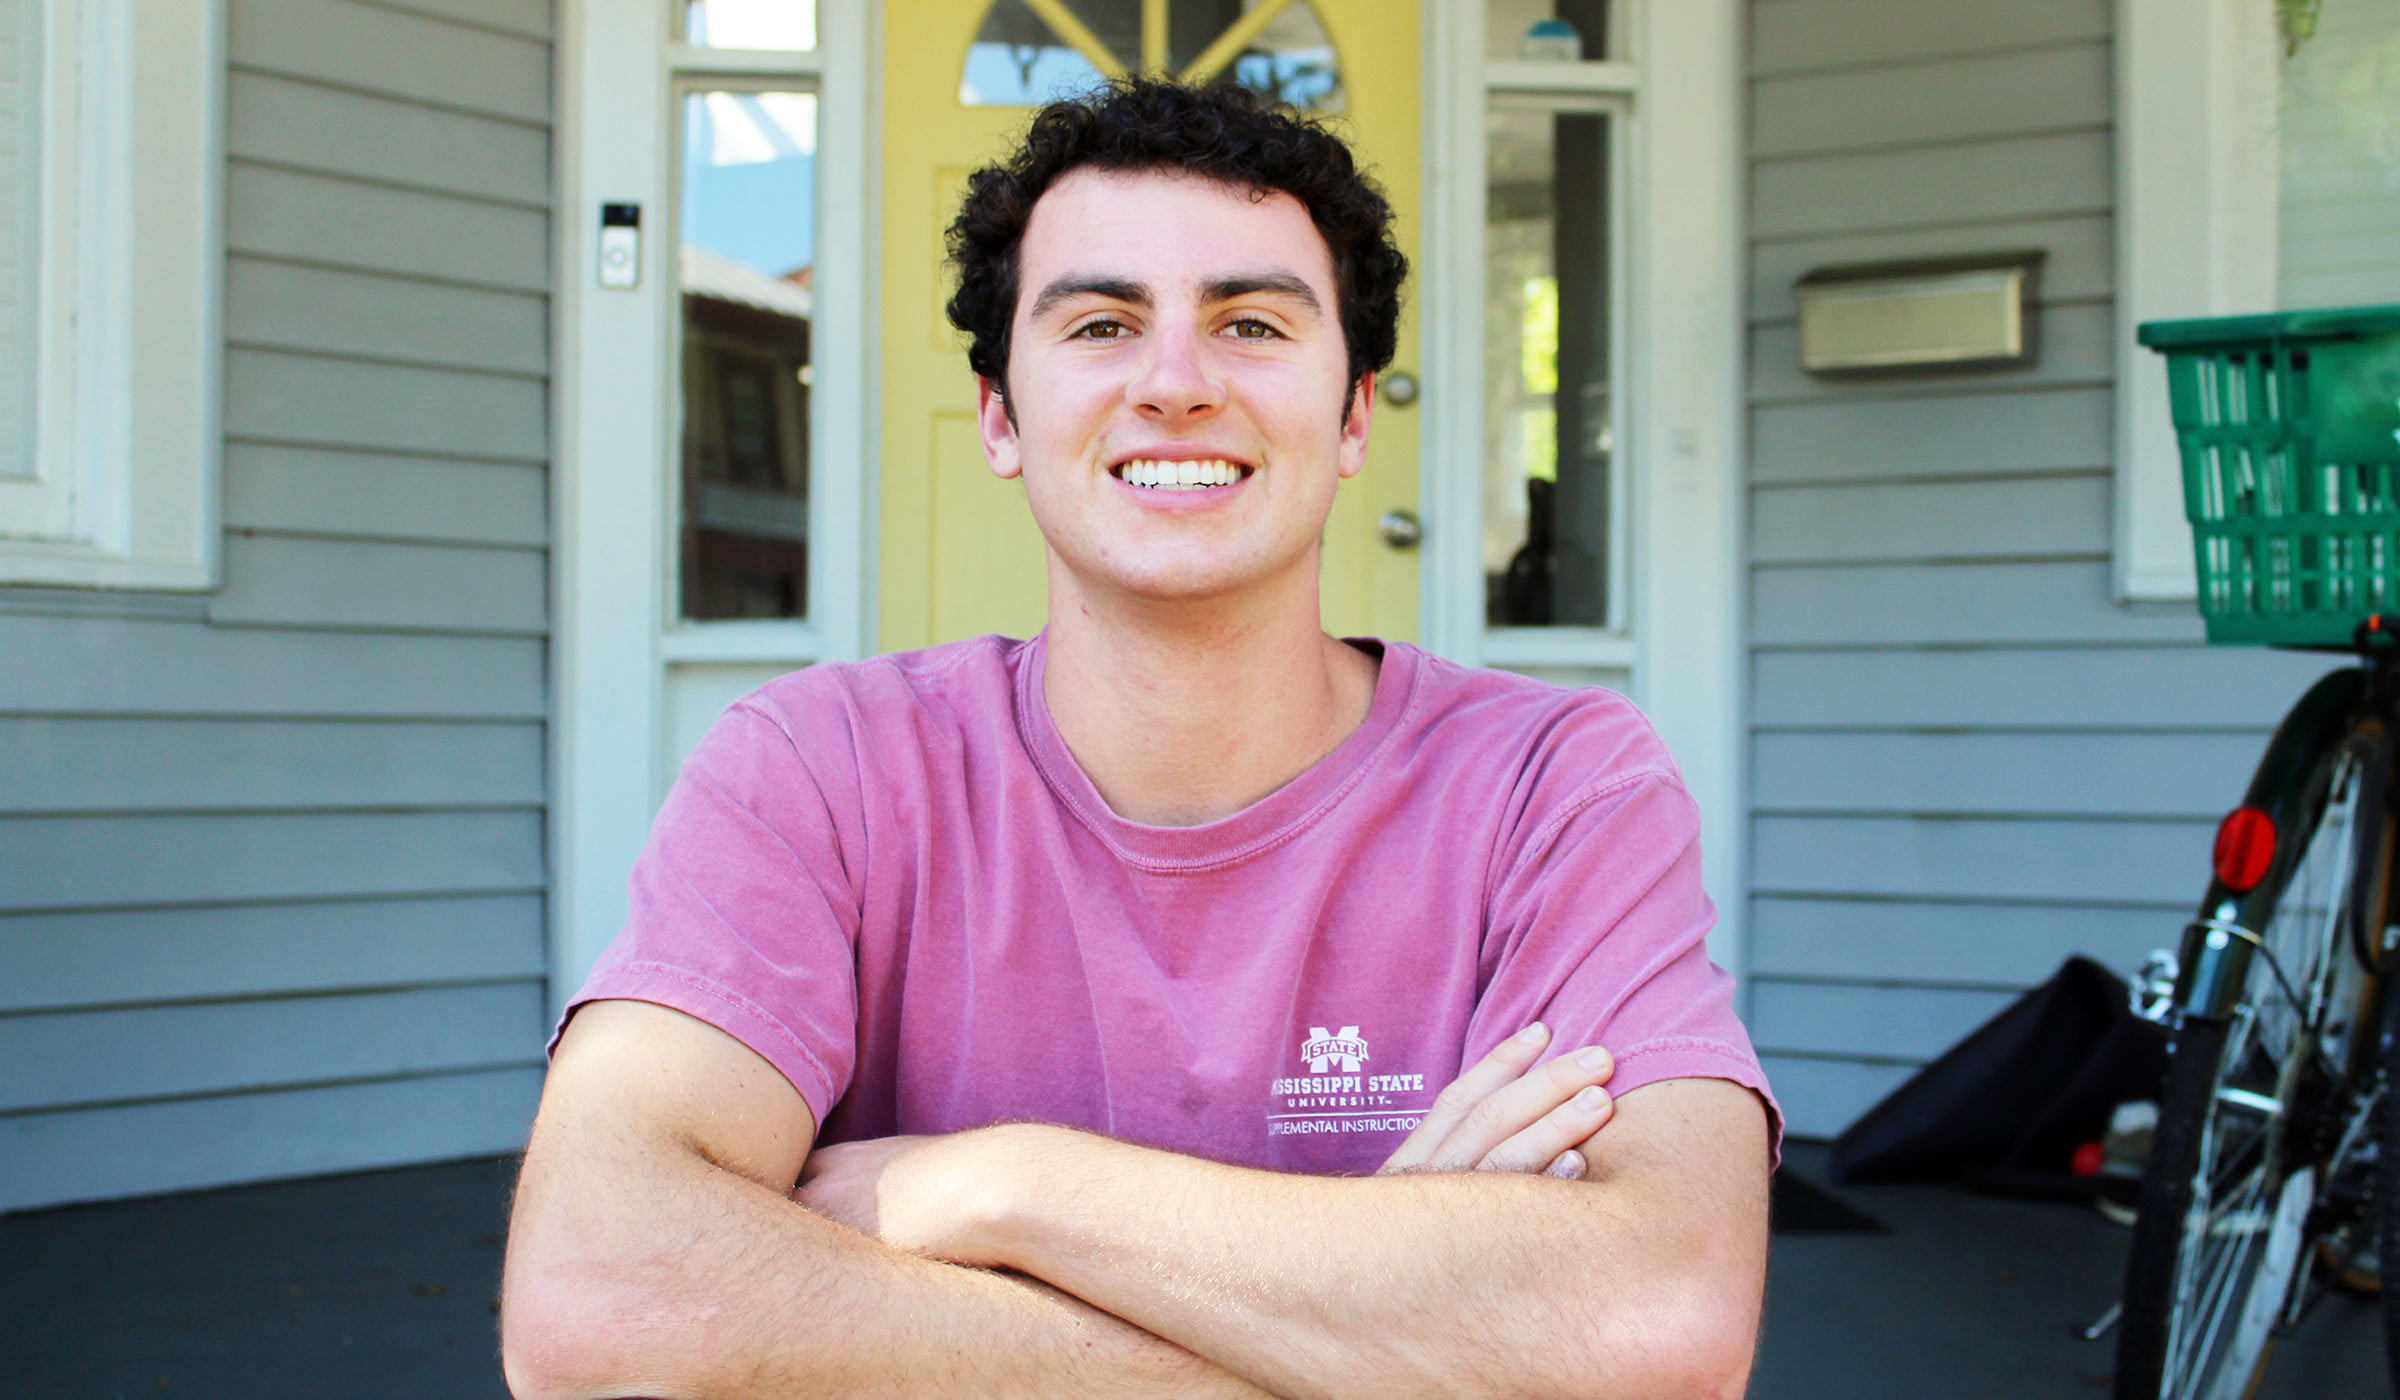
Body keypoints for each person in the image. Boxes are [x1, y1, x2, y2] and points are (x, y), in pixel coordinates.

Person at [502, 78, 1776, 1400]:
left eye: (1253, 322)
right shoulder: (819, 771)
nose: (1177, 384)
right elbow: (600, 1288)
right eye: (1104, 323)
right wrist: (1384, 1326)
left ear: (1353, 416)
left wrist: (1002, 1185)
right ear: (1000, 416)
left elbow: (1660, 1318)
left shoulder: (1553, 786)